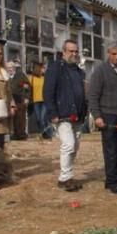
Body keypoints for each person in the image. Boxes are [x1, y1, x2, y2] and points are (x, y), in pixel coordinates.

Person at [87, 43, 117, 194]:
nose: (116, 57)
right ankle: (112, 181)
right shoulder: (100, 71)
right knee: (111, 150)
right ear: (108, 54)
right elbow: (93, 95)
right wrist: (97, 116)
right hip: (108, 116)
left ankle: (116, 178)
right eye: (113, 54)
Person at [44, 39, 88, 192]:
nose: (74, 54)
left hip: (78, 114)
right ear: (64, 52)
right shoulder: (56, 68)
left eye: (76, 51)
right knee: (68, 144)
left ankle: (68, 174)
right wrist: (52, 112)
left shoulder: (79, 71)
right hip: (62, 114)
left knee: (75, 146)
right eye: (71, 51)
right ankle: (64, 178)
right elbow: (48, 91)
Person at [7, 57, 31, 141]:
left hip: (20, 100)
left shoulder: (20, 75)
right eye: (8, 68)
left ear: (14, 68)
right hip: (9, 100)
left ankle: (21, 135)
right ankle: (12, 133)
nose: (10, 69)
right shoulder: (6, 77)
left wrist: (27, 98)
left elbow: (27, 87)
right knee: (11, 118)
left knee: (20, 118)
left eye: (11, 68)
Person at [29, 61, 50, 138]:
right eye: (43, 68)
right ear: (39, 69)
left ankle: (45, 133)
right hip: (35, 100)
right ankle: (42, 131)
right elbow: (28, 89)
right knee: (38, 118)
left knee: (43, 117)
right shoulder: (31, 78)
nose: (44, 70)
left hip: (44, 100)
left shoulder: (45, 78)